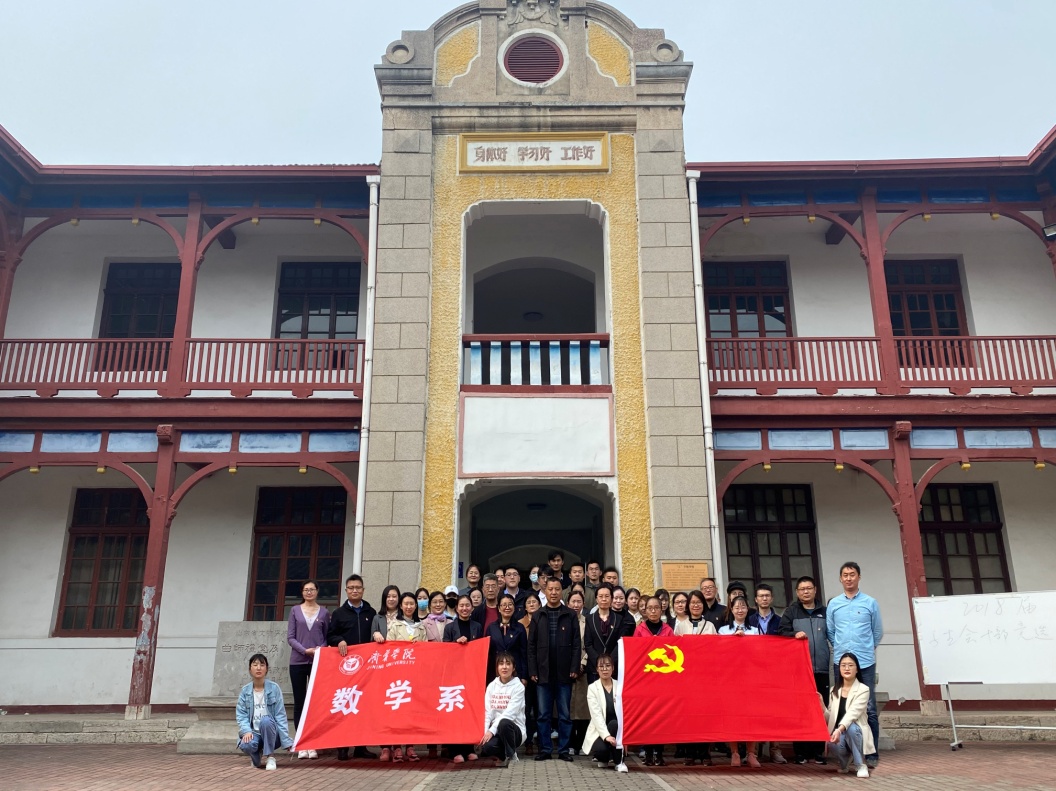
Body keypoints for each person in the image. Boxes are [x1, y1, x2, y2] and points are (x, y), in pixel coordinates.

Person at [826, 562, 883, 769]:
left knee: (870, 708)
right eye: (845, 575)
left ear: (859, 577)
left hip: (865, 662)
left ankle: (871, 752)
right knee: (840, 705)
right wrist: (842, 650)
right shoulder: (834, 604)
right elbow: (830, 631)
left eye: (852, 574)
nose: (849, 578)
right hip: (841, 662)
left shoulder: (870, 602)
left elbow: (877, 632)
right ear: (840, 579)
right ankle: (844, 751)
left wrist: (865, 649)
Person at [527, 577, 580, 762]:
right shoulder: (538, 615)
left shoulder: (570, 615)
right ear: (546, 591)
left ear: (561, 591)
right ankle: (545, 750)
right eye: (550, 589)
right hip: (543, 673)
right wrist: (533, 670)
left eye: (557, 589)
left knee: (565, 715)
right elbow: (531, 646)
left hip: (564, 673)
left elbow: (576, 645)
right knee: (543, 715)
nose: (554, 592)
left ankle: (564, 750)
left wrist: (574, 667)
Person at [779, 575, 830, 765]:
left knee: (819, 709)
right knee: (800, 710)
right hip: (799, 670)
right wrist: (794, 634)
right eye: (802, 589)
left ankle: (818, 751)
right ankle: (800, 752)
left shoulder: (825, 612)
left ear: (815, 590)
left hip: (821, 668)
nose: (806, 592)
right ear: (797, 592)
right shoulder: (791, 612)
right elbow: (781, 632)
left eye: (809, 588)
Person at [326, 574, 378, 760]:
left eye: (358, 587)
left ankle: (360, 747)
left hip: (367, 668)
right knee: (345, 705)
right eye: (351, 588)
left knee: (363, 706)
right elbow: (330, 636)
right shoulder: (339, 613)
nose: (355, 590)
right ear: (346, 590)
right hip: (346, 668)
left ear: (363, 590)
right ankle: (342, 746)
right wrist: (339, 640)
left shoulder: (371, 612)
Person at [287, 580, 329, 757]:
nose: (309, 592)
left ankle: (313, 743)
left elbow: (326, 637)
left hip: (317, 662)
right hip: (297, 661)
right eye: (306, 590)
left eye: (312, 589)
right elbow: (290, 637)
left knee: (315, 703)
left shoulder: (324, 612)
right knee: (300, 702)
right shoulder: (295, 610)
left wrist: (319, 649)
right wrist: (305, 650)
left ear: (317, 591)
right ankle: (301, 743)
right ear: (302, 592)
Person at [718, 595, 760, 767]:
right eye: (737, 607)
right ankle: (734, 752)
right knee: (732, 716)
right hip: (730, 679)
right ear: (731, 610)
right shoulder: (723, 631)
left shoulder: (755, 631)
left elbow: (759, 653)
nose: (740, 610)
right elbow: (720, 654)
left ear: (748, 609)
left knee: (751, 716)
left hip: (750, 679)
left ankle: (751, 753)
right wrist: (734, 641)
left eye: (743, 607)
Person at [746, 583, 786, 764]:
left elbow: (785, 642)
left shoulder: (780, 621)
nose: (764, 598)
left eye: (767, 595)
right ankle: (752, 751)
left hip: (773, 671)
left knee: (775, 710)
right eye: (761, 596)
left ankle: (775, 749)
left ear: (772, 598)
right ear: (755, 599)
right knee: (754, 710)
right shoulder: (749, 621)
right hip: (753, 670)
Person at [444, 594, 485, 763]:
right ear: (456, 608)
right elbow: (444, 651)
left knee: (469, 711)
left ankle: (469, 748)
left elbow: (481, 649)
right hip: (454, 676)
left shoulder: (477, 626)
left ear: (472, 608)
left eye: (467, 605)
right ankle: (455, 750)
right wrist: (456, 644)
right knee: (455, 713)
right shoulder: (449, 627)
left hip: (472, 674)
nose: (464, 608)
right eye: (461, 605)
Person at [236, 654, 293, 771]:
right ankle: (256, 756)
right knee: (246, 744)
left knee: (266, 721)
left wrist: (286, 740)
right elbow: (241, 714)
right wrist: (246, 731)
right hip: (254, 733)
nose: (258, 668)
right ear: (250, 669)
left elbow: (280, 715)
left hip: (272, 733)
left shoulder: (274, 688)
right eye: (255, 665)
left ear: (267, 669)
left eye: (262, 665)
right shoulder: (245, 691)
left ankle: (270, 756)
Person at [633, 596, 672, 766]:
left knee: (662, 718)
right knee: (648, 717)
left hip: (663, 680)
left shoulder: (668, 630)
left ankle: (660, 754)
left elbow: (673, 652)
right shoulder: (639, 629)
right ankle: (648, 753)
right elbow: (635, 652)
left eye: (656, 608)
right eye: (650, 608)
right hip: (646, 680)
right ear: (645, 610)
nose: (653, 611)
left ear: (661, 610)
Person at [826, 652, 875, 778]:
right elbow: (830, 716)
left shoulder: (863, 689)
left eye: (850, 665)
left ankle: (860, 764)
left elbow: (853, 713)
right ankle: (844, 763)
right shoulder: (834, 690)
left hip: (856, 732)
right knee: (830, 742)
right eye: (843, 665)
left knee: (851, 727)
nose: (846, 668)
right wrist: (820, 705)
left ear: (857, 669)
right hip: (840, 734)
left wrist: (839, 729)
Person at [478, 652, 527, 768]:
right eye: (501, 664)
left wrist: (492, 730)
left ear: (513, 668)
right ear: (497, 667)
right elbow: (488, 713)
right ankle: (503, 756)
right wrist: (485, 733)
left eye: (508, 664)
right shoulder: (491, 686)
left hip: (515, 731)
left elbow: (510, 714)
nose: (504, 667)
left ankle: (512, 755)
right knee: (487, 747)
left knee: (504, 723)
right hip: (497, 731)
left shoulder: (518, 686)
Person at [583, 654, 628, 772]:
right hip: (599, 731)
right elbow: (596, 716)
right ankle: (604, 758)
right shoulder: (592, 688)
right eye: (601, 666)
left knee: (614, 724)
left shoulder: (620, 686)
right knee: (601, 750)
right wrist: (606, 736)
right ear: (597, 669)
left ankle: (619, 762)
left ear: (613, 668)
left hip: (618, 729)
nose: (604, 669)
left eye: (608, 666)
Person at [584, 583, 635, 681]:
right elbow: (588, 644)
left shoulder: (619, 619)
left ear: (611, 599)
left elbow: (620, 643)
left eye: (607, 596)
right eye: (601, 596)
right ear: (596, 599)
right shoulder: (590, 619)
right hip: (594, 668)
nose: (604, 599)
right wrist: (599, 662)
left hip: (614, 667)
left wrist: (609, 662)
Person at [567, 589, 590, 754]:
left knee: (583, 709)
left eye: (578, 602)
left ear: (583, 604)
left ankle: (581, 744)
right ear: (568, 603)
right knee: (567, 708)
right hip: (566, 670)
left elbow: (590, 644)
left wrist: (582, 664)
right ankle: (569, 743)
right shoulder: (563, 620)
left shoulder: (588, 622)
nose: (576, 605)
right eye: (573, 602)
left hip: (583, 670)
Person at [486, 594, 528, 683]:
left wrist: (524, 676)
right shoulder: (491, 628)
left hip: (515, 672)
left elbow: (524, 653)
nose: (507, 607)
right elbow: (488, 653)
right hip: (496, 673)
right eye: (504, 605)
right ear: (499, 608)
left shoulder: (520, 628)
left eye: (510, 604)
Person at [518, 593, 541, 754]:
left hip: (541, 672)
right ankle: (528, 741)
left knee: (541, 710)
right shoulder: (520, 624)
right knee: (526, 709)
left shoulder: (544, 621)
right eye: (529, 602)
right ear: (525, 607)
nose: (532, 604)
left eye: (535, 602)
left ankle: (541, 741)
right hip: (525, 674)